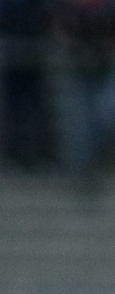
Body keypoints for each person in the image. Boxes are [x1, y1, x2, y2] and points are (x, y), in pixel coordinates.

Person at [54, 0, 115, 183]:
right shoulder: (70, 10)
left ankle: (100, 162)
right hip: (79, 72)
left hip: (105, 71)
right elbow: (62, 33)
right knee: (81, 124)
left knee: (109, 116)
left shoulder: (111, 9)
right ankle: (84, 169)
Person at [2, 0, 58, 169]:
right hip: (13, 59)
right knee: (15, 108)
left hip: (36, 58)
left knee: (36, 106)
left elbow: (48, 17)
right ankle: (15, 155)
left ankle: (40, 155)